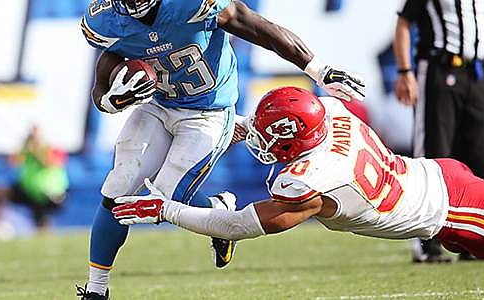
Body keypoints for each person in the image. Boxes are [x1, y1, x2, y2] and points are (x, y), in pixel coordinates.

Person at [78, 1, 366, 298]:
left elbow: (257, 26)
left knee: (167, 195)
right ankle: (96, 289)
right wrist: (109, 101)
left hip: (207, 112)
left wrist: (319, 70)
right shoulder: (107, 20)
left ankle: (218, 211)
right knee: (119, 185)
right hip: (158, 106)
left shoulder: (190, 5)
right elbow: (103, 78)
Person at [111, 87, 484, 266]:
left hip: (454, 213)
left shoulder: (311, 180)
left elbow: (241, 225)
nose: (261, 143)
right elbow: (281, 125)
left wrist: (167, 208)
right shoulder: (329, 110)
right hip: (442, 175)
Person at [393, 0, 484, 262]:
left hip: (477, 73)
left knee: (480, 158)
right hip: (438, 69)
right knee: (434, 156)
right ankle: (426, 243)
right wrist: (405, 71)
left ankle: (476, 239)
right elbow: (404, 23)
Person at [0, 125, 69, 234]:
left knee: (41, 220)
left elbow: (49, 162)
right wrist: (23, 147)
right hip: (29, 190)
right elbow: (12, 161)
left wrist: (36, 150)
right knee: (0, 192)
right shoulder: (27, 148)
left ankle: (45, 232)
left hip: (50, 193)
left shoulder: (51, 148)